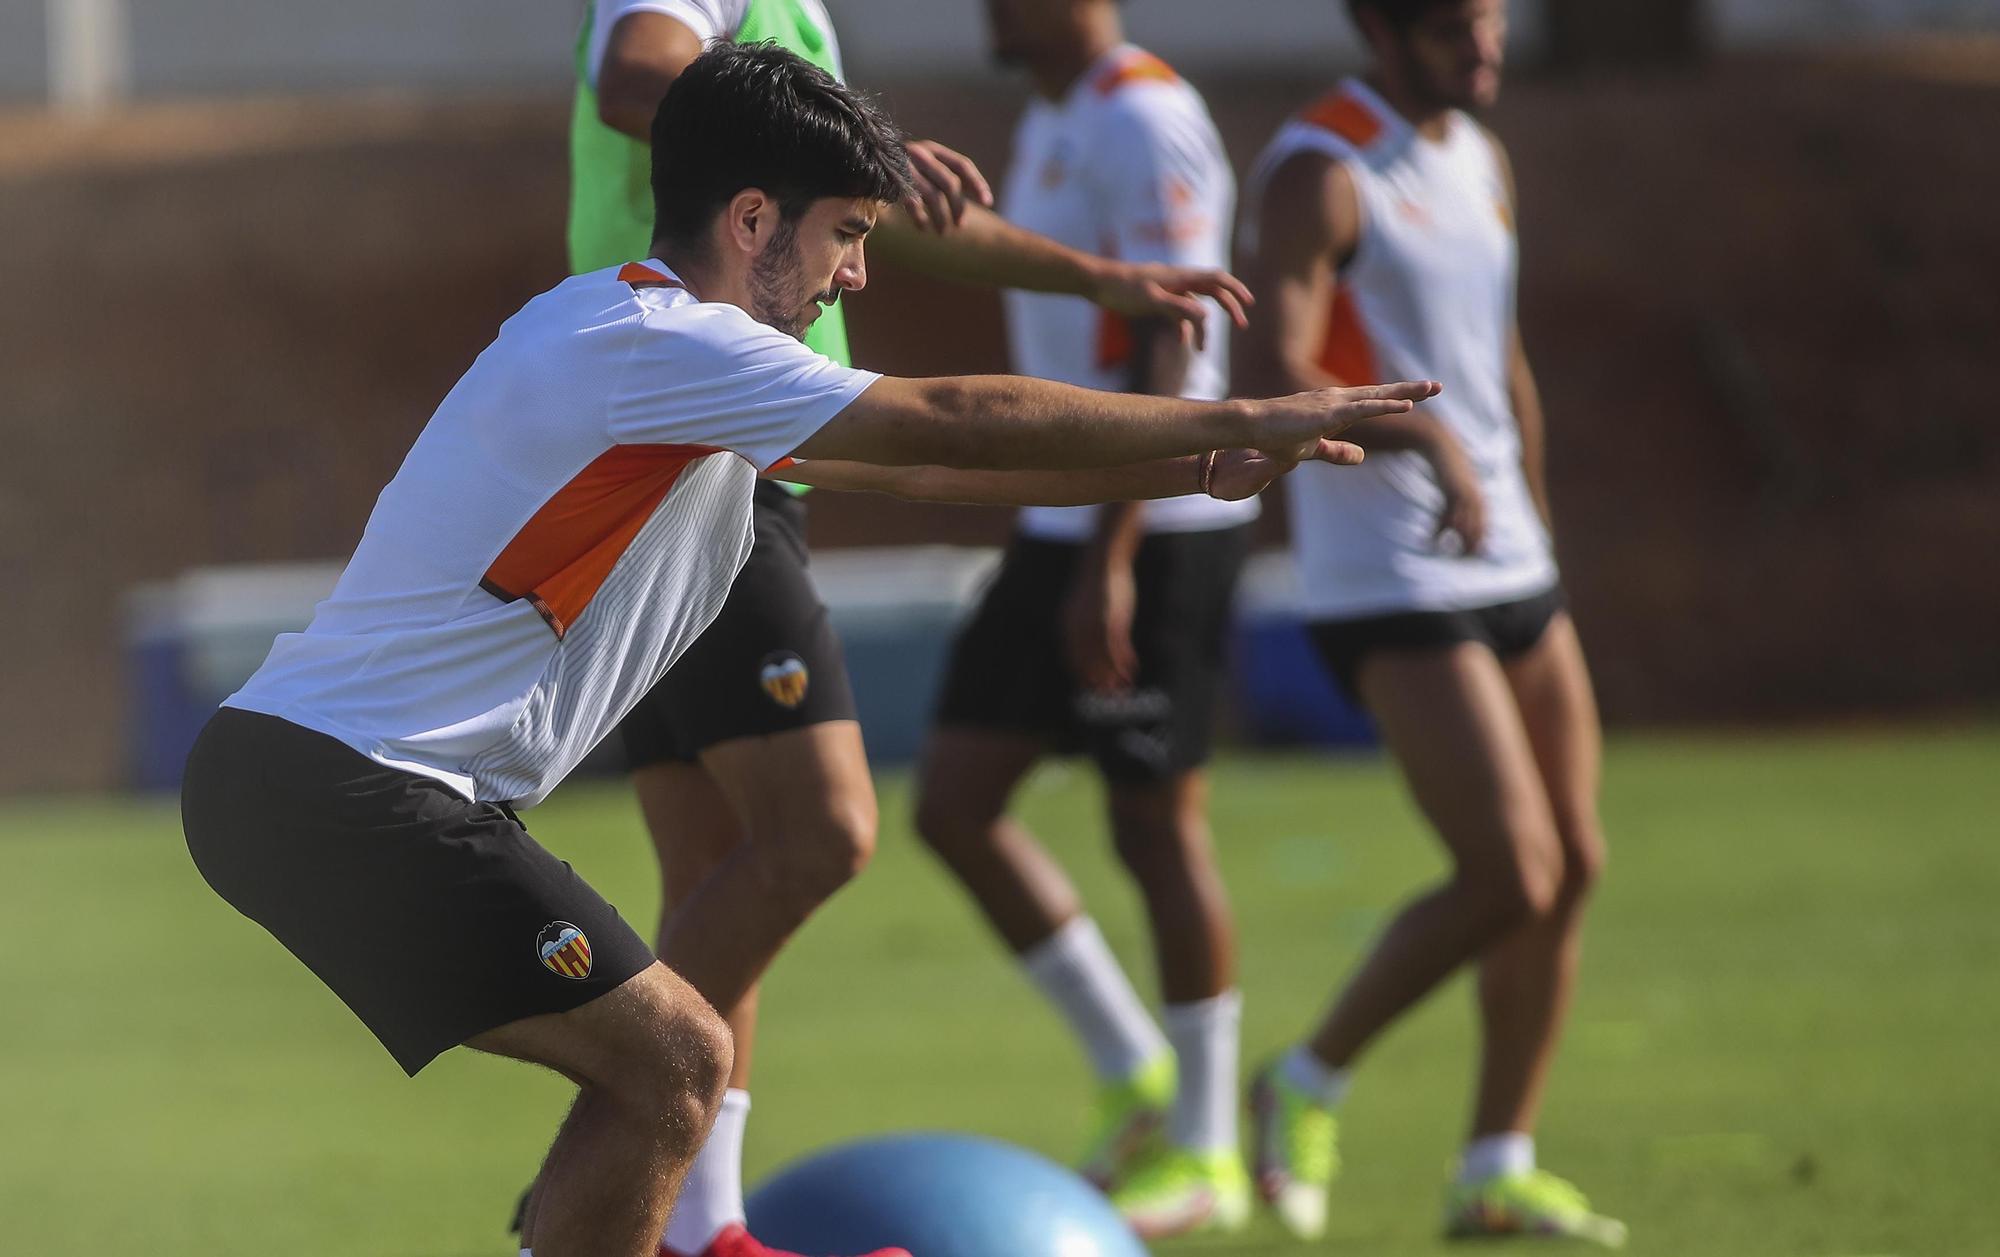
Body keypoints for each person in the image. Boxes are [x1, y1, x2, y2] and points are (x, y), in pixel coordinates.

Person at [181, 42, 1438, 1257]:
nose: (854, 275)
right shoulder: (659, 347)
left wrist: (1193, 466)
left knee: (660, 1065)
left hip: (342, 787)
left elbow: (929, 462)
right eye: (844, 232)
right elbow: (945, 412)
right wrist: (1251, 407)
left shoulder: (644, 354)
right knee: (677, 1058)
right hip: (346, 792)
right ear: (748, 218)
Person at [567, 6, 1263, 1254]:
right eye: (840, 233)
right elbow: (636, 74)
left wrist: (1094, 278)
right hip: (704, 461)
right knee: (825, 828)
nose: (853, 268)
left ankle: (691, 1222)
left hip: (713, 462)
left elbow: (877, 216)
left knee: (719, 867)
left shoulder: (800, 14)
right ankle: (600, 1179)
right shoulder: (714, 26)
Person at [1232, 0, 1624, 1245]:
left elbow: (1493, 352)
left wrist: (1531, 509)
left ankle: (1492, 1168)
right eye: (1456, 26)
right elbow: (1276, 376)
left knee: (1573, 868)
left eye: (1493, 22)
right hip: (1389, 576)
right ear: (1378, 25)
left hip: (1508, 556)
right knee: (1510, 869)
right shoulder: (1318, 169)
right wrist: (1428, 436)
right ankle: (1303, 1081)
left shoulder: (1476, 155)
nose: (1485, 47)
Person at [909, 0, 1255, 1239]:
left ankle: (1208, 1150)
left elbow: (1176, 325)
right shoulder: (1053, 113)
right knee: (952, 803)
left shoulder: (1146, 116)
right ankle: (1136, 1075)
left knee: (1153, 825)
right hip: (1062, 521)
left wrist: (1113, 555)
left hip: (1154, 529)